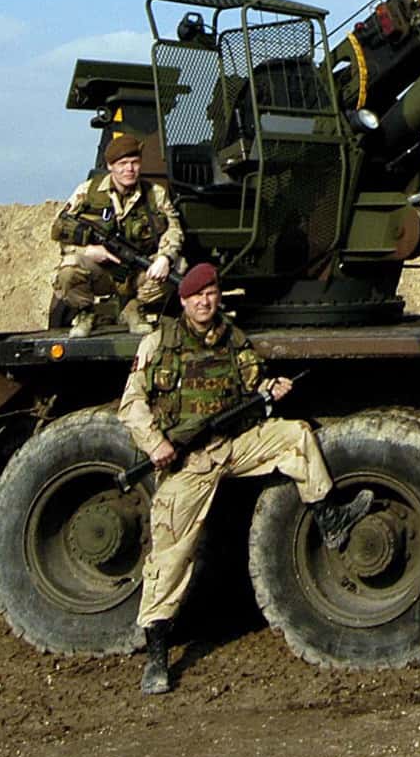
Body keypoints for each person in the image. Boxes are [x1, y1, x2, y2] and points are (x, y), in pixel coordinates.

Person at [120, 263, 367, 695]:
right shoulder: (160, 343)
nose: (205, 301)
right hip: (190, 460)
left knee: (296, 437)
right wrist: (155, 443)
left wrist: (271, 389)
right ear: (183, 301)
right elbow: (131, 404)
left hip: (235, 444)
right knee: (170, 556)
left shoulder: (232, 338)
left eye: (211, 293)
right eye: (197, 295)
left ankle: (329, 518)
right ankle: (157, 654)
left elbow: (253, 382)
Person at [48, 129, 187, 335]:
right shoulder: (87, 192)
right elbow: (59, 230)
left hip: (138, 271)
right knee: (68, 270)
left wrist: (165, 258)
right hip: (100, 272)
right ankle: (86, 313)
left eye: (134, 162)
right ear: (110, 166)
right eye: (122, 164)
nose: (129, 169)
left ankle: (134, 309)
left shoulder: (154, 194)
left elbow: (174, 229)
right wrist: (87, 251)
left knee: (179, 265)